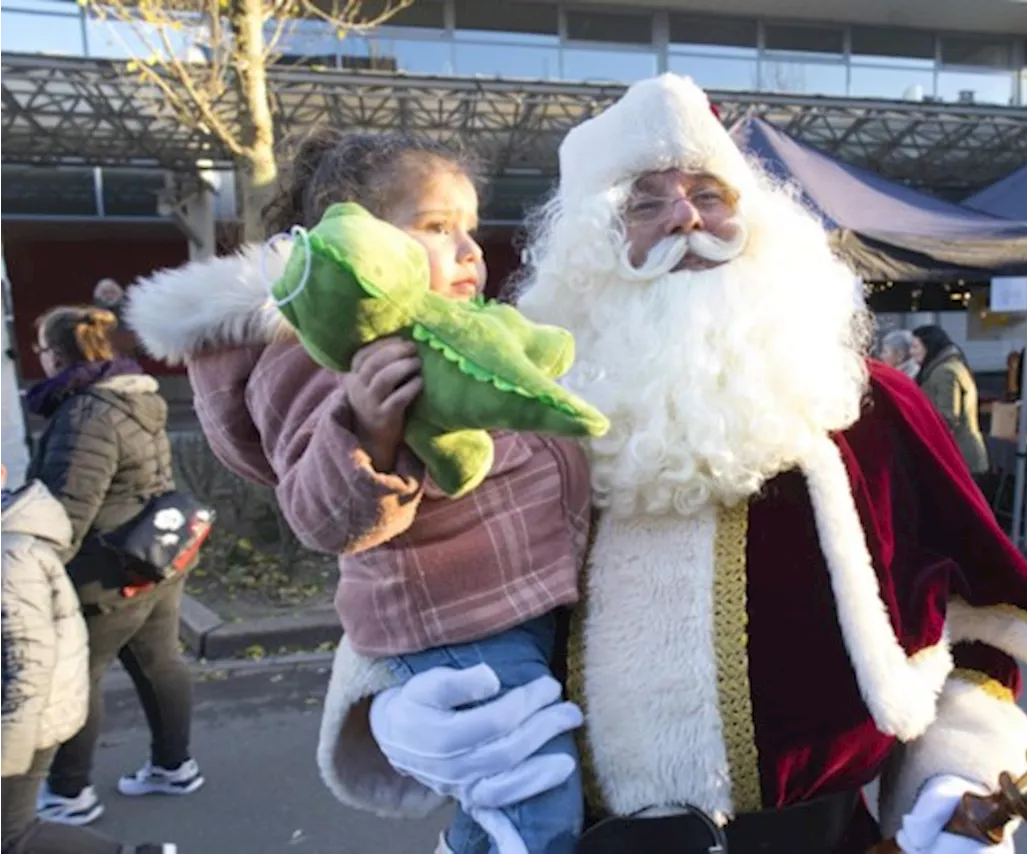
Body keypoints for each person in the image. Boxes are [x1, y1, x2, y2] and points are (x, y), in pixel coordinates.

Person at [270, 75, 1027, 854]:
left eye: (711, 194)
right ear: (592, 245)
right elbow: (414, 562)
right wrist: (388, 707)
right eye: (644, 203)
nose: (686, 219)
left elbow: (974, 628)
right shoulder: (521, 402)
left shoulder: (873, 409)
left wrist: (951, 777)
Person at [125, 129, 588, 854]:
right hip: (454, 623)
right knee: (531, 801)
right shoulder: (316, 349)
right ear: (355, 233)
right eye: (437, 227)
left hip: (511, 607)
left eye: (470, 227)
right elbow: (318, 514)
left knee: (516, 799)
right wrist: (368, 428)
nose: (469, 250)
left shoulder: (444, 328)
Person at [23, 307, 200, 827]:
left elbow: (68, 510)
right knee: (160, 663)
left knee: (77, 675)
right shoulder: (137, 395)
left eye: (39, 346)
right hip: (154, 555)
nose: (37, 355)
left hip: (105, 572)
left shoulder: (85, 413)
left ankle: (69, 793)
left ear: (58, 354)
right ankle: (175, 766)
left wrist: (38, 567)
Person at [0, 464, 179, 854]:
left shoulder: (11, 559)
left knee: (12, 835)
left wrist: (7, 756)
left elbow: (27, 666)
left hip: (23, 721)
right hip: (23, 712)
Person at [910, 325, 989, 475]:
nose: (912, 352)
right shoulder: (946, 367)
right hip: (959, 455)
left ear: (929, 346)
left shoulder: (945, 372)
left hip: (959, 457)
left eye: (915, 346)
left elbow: (947, 417)